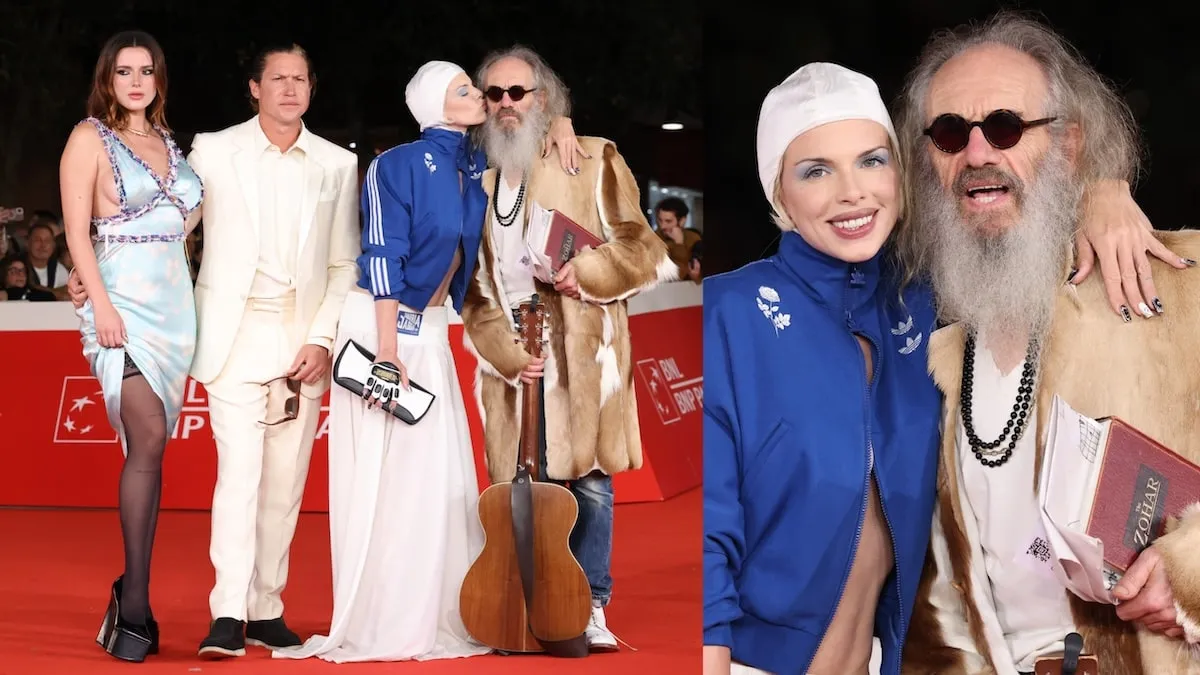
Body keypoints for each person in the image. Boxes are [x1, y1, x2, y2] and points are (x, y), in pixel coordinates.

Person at [701, 60, 1188, 675]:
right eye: (815, 170)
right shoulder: (727, 311)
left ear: (902, 176)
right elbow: (707, 531)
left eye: (872, 161)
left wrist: (1101, 192)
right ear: (778, 191)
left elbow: (1017, 225)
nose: (851, 191)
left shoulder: (927, 304)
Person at [891, 12, 1200, 675]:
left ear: (1066, 146)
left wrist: (1192, 573)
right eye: (950, 134)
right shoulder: (935, 355)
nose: (977, 155)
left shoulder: (1182, 287)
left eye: (1005, 127)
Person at [269, 59, 583, 664]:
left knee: (438, 487)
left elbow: (525, 145)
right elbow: (381, 253)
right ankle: (382, 622)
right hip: (383, 334)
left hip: (433, 337)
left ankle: (443, 613)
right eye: (467, 89)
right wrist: (387, 351)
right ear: (436, 103)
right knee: (386, 488)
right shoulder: (398, 164)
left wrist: (561, 122)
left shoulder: (474, 168)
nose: (484, 97)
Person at [64, 42, 359, 658]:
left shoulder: (336, 165)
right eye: (275, 78)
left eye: (299, 79)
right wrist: (93, 274)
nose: (287, 89)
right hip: (228, 335)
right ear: (254, 88)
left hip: (299, 338)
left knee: (286, 483)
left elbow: (341, 263)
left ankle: (266, 608)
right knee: (238, 477)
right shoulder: (212, 149)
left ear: (312, 88)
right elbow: (136, 215)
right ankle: (226, 612)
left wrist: (322, 338)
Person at [460, 44, 678, 652]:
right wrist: (503, 352)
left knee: (589, 484)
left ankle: (592, 604)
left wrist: (590, 270)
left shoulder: (594, 158)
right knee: (518, 485)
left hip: (582, 357)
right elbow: (473, 292)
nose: (506, 105)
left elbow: (645, 248)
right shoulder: (477, 182)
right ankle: (525, 601)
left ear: (544, 99)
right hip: (512, 358)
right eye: (495, 95)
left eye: (518, 93)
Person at [59, 30, 203, 663]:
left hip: (177, 311)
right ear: (108, 79)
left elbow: (184, 218)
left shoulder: (173, 146)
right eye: (125, 72)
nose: (137, 81)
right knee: (146, 437)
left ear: (159, 79)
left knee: (156, 442)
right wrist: (100, 295)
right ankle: (137, 601)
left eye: (147, 71)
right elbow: (76, 230)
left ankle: (130, 596)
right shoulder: (89, 138)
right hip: (118, 308)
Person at [655, 196, 702, 281]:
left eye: (668, 221)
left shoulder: (693, 239)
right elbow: (672, 277)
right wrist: (679, 244)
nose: (662, 226)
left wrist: (697, 277)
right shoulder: (653, 239)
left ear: (682, 221)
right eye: (660, 220)